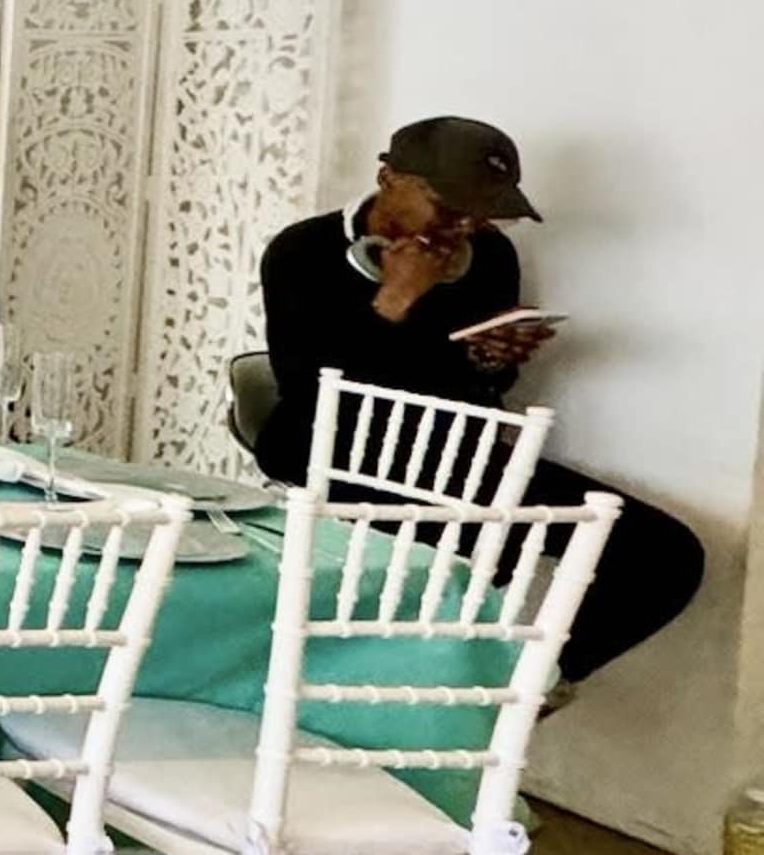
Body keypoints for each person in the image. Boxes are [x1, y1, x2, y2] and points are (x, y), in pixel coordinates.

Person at [254, 115, 704, 678]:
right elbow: (313, 393)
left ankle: (524, 692)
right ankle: (407, 693)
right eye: (449, 205)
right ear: (391, 177)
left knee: (665, 555)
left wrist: (491, 362)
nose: (464, 225)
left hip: (451, 456)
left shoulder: (488, 257)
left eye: (482, 213)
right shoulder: (302, 253)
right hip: (332, 454)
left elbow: (470, 390)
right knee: (479, 560)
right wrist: (393, 301)